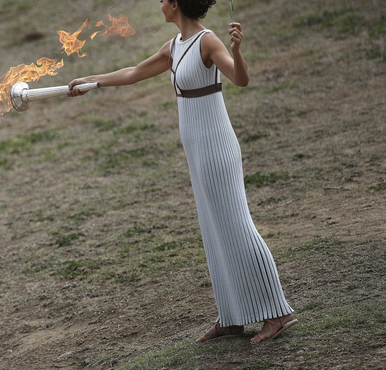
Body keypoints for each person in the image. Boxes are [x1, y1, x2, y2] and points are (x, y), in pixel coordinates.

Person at [67, 0, 297, 344]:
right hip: (196, 149)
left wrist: (237, 49)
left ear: (176, 4)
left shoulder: (208, 41)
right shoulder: (174, 46)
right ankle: (232, 317)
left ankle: (279, 313)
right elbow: (132, 73)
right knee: (213, 228)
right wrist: (91, 81)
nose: (158, 3)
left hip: (217, 146)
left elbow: (239, 78)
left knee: (236, 225)